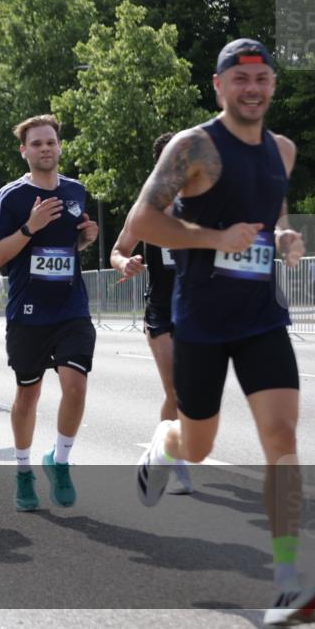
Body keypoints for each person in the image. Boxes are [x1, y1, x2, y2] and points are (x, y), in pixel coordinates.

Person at [126, 39, 315, 625]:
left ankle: (289, 580)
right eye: (241, 79)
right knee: (199, 444)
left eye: (262, 78)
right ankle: (164, 445)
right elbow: (142, 222)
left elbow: (272, 211)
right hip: (203, 320)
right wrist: (214, 240)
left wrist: (283, 238)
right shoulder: (195, 147)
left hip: (262, 316)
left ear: (272, 85)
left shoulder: (281, 150)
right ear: (219, 86)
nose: (253, 88)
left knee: (283, 438)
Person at [0, 114, 99, 513]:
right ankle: (22, 471)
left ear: (59, 146)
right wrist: (30, 227)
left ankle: (61, 461)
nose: (45, 148)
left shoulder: (77, 190)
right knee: (28, 395)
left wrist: (85, 239)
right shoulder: (11, 197)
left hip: (71, 307)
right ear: (24, 151)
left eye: (51, 141)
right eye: (37, 144)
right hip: (27, 312)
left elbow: (68, 247)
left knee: (76, 386)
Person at [110, 132, 193, 495]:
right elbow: (117, 249)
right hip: (161, 311)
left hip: (200, 311)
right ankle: (175, 464)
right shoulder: (146, 210)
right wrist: (124, 263)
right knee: (177, 391)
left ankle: (166, 447)